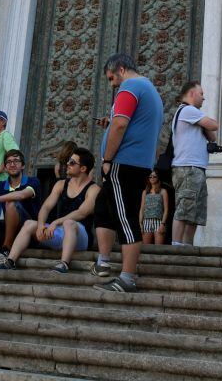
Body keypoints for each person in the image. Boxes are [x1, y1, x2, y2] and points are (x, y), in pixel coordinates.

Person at [91, 53, 164, 293]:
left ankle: (127, 277)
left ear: (121, 69)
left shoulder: (130, 86)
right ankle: (103, 261)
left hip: (124, 163)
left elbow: (121, 124)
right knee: (103, 208)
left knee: (126, 217)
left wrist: (107, 160)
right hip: (137, 163)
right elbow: (125, 122)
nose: (112, 84)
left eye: (112, 78)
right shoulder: (149, 89)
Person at [0, 147, 98, 273]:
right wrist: (41, 226)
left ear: (83, 168)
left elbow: (82, 212)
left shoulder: (94, 189)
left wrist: (56, 222)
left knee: (69, 223)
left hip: (81, 237)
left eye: (72, 163)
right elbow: (46, 207)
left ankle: (63, 264)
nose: (67, 164)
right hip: (59, 232)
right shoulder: (61, 184)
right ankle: (10, 261)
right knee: (30, 224)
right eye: (68, 161)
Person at [170, 81, 219, 246]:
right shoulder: (188, 110)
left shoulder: (194, 116)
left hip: (197, 168)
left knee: (195, 212)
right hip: (187, 167)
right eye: (201, 94)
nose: (204, 98)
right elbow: (214, 125)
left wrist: (202, 124)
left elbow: (212, 137)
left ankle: (187, 246)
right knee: (184, 208)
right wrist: (204, 122)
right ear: (191, 94)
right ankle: (176, 245)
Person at [139, 171, 168, 245]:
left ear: (158, 178)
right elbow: (142, 209)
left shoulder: (163, 191)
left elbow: (166, 209)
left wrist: (163, 224)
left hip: (158, 222)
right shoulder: (145, 192)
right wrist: (140, 224)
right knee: (146, 248)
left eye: (154, 176)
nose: (152, 178)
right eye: (150, 176)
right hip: (146, 221)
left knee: (158, 248)